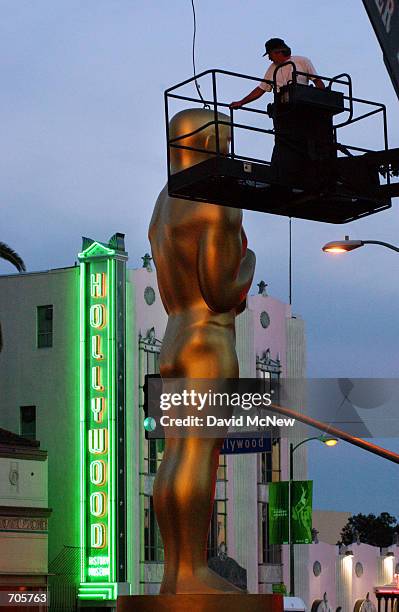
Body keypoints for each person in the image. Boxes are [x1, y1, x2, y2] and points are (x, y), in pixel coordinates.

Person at [149, 107, 255, 594]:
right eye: (226, 141)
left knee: (174, 456)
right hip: (209, 336)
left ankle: (176, 571)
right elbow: (221, 288)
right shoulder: (216, 201)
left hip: (174, 333)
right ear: (210, 143)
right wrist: (249, 259)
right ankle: (192, 571)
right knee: (199, 455)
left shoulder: (164, 203)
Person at [230, 37, 324, 110]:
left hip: (301, 103)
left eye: (270, 54)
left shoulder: (302, 61)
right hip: (282, 109)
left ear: (278, 52)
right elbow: (261, 89)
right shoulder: (272, 68)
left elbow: (318, 82)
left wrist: (319, 100)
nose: (269, 58)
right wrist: (241, 102)